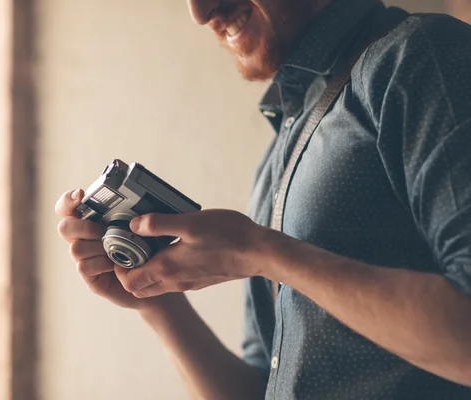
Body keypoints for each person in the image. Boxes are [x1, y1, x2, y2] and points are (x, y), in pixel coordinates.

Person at [55, 0, 471, 398]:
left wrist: (261, 252)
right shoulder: (281, 151)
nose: (200, 12)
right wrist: (159, 303)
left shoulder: (423, 57)